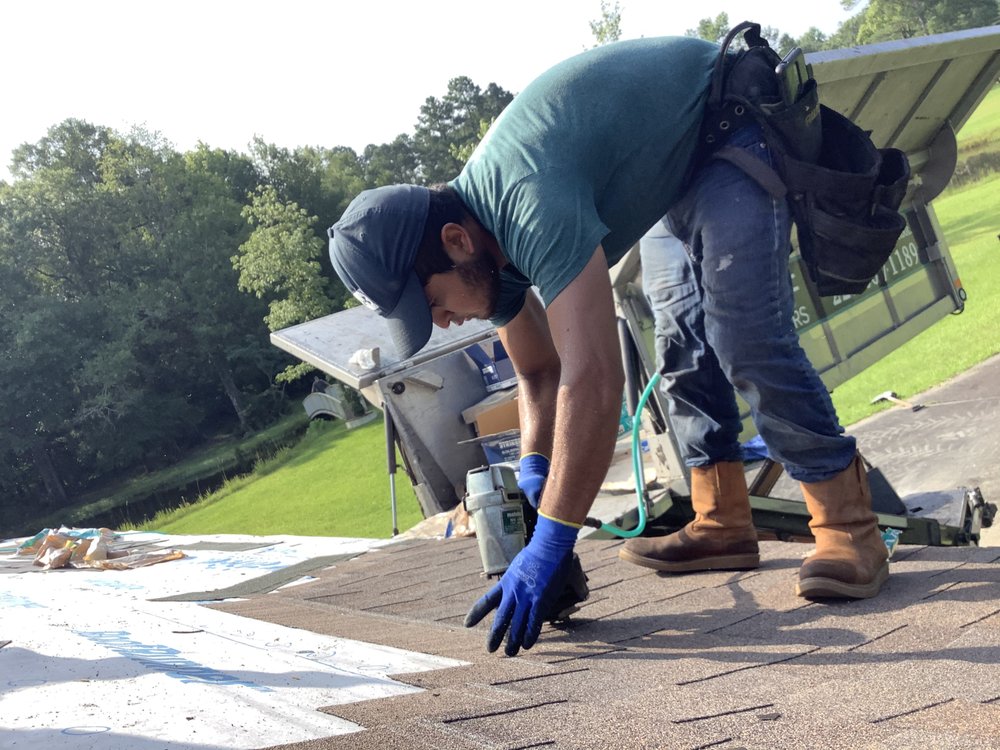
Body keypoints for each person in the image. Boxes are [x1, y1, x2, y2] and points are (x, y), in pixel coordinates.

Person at [328, 33, 888, 657]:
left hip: (729, 122)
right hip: (677, 167)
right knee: (680, 345)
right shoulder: (487, 249)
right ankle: (724, 520)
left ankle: (847, 524)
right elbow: (540, 372)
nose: (444, 321)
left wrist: (552, 542)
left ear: (456, 241)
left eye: (433, 304)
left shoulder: (525, 203)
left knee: (744, 335)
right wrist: (538, 467)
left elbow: (593, 379)